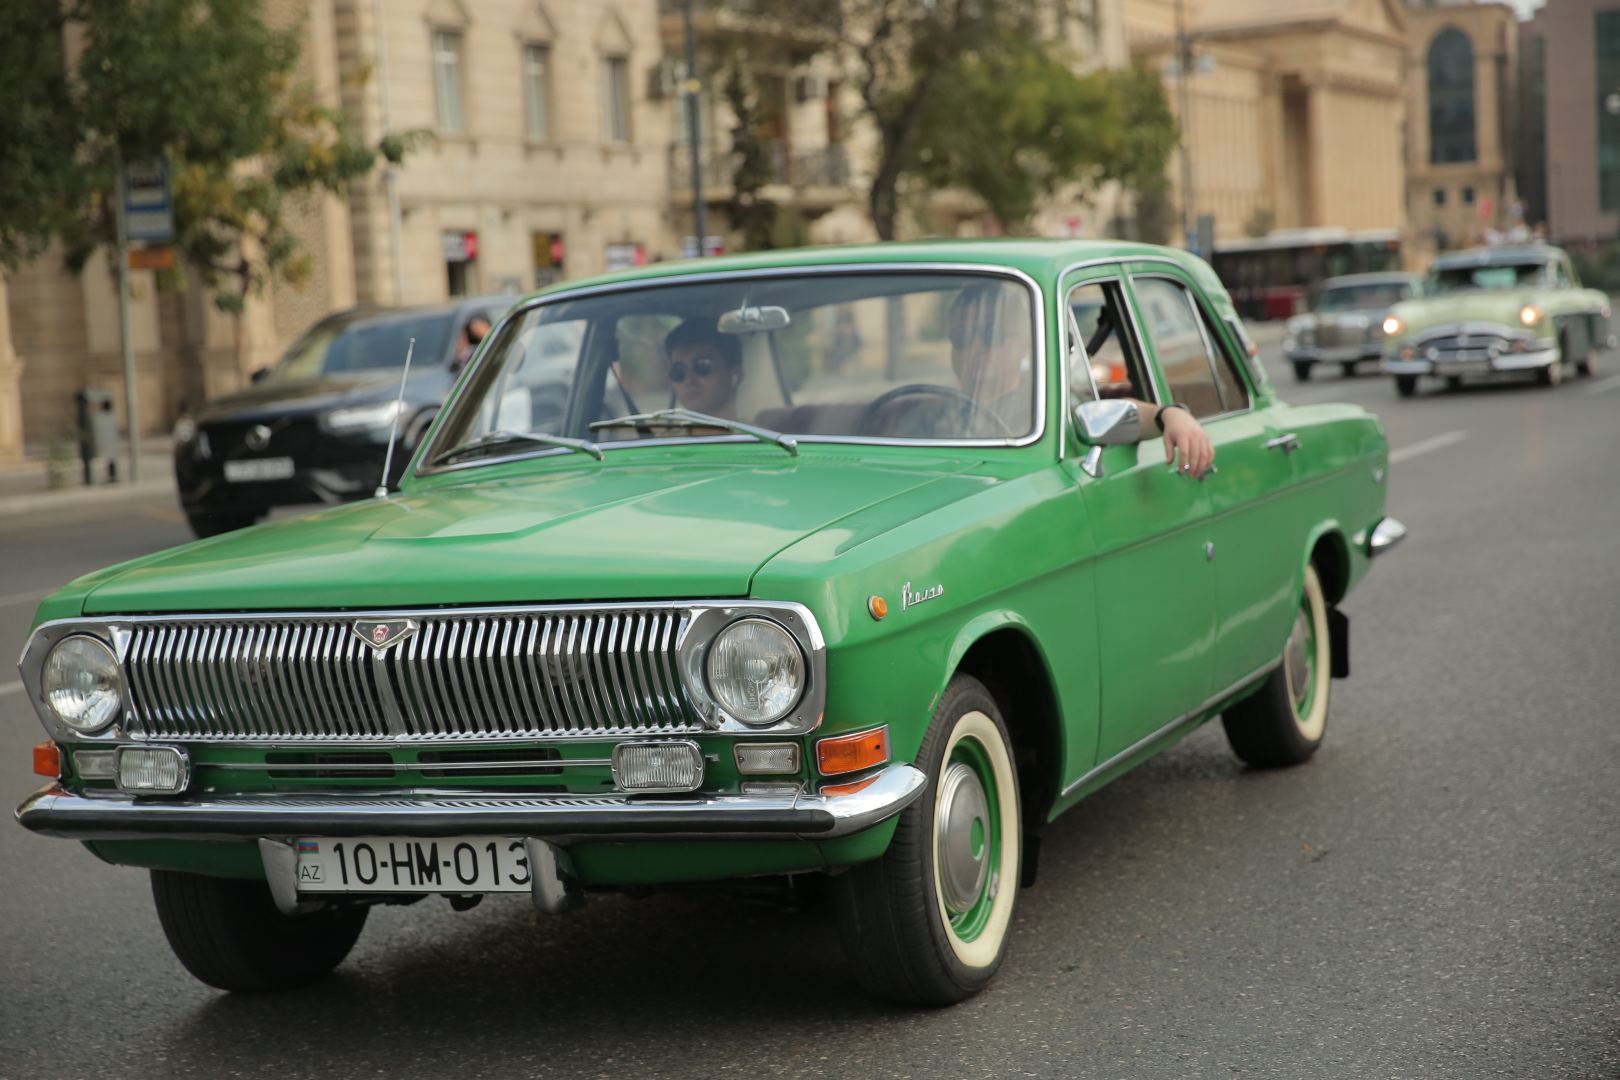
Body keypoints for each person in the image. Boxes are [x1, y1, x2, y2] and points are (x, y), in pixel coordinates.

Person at [946, 283, 1215, 477]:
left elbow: (1116, 410)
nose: (974, 350)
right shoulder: (931, 412)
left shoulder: (1052, 403)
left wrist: (1169, 415)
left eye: (991, 337)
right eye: (961, 338)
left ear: (1023, 344)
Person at [662, 318, 744, 420]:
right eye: (678, 371)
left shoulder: (760, 434)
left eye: (702, 367)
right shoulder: (668, 436)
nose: (689, 380)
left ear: (735, 374)